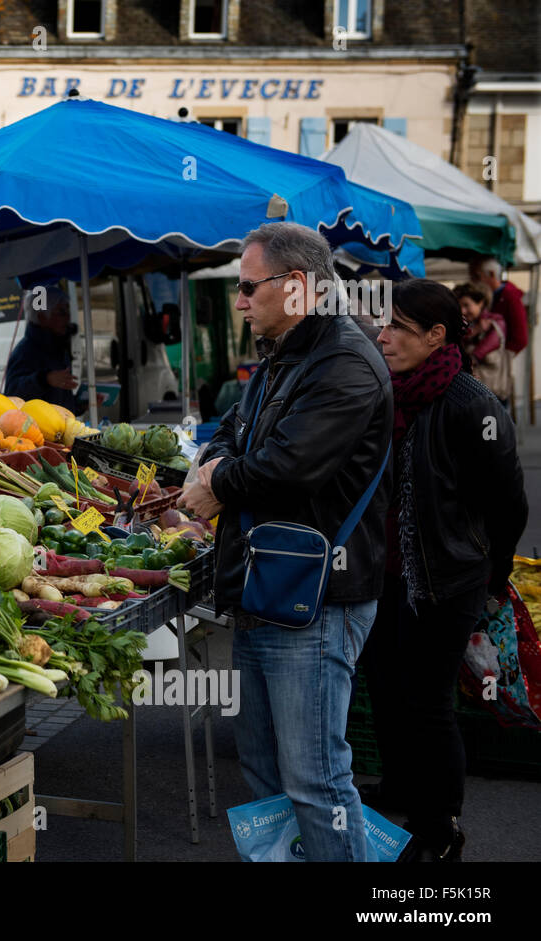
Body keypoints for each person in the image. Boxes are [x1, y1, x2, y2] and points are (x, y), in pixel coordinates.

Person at [178, 222, 392, 862]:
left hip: (318, 601)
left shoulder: (345, 362)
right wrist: (216, 468)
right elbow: (228, 436)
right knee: (265, 773)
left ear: (296, 286)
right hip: (266, 589)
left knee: (316, 779)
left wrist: (220, 484)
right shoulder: (283, 352)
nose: (239, 301)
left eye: (248, 287)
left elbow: (287, 468)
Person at [361, 280, 526, 862]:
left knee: (428, 702)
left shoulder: (471, 405)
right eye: (384, 324)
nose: (383, 336)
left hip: (447, 579)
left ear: (436, 337)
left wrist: (488, 569)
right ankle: (402, 790)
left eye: (399, 328)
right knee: (385, 686)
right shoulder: (386, 391)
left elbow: (509, 503)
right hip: (384, 574)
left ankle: (439, 828)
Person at [3, 285, 85, 414]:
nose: (68, 318)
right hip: (35, 431)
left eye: (68, 311)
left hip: (61, 430)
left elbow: (60, 402)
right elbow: (13, 394)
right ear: (42, 317)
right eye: (61, 312)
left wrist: (82, 405)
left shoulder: (58, 347)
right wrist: (44, 380)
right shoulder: (26, 351)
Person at [454, 281, 511, 403]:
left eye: (466, 305)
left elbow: (480, 352)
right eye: (460, 307)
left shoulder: (495, 322)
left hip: (493, 394)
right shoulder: (464, 326)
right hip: (472, 394)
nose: (463, 311)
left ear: (480, 303)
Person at [469, 256, 528, 356]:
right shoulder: (492, 296)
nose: (476, 281)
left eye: (478, 277)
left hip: (497, 358)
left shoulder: (510, 297)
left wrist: (499, 355)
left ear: (491, 274)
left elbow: (520, 339)